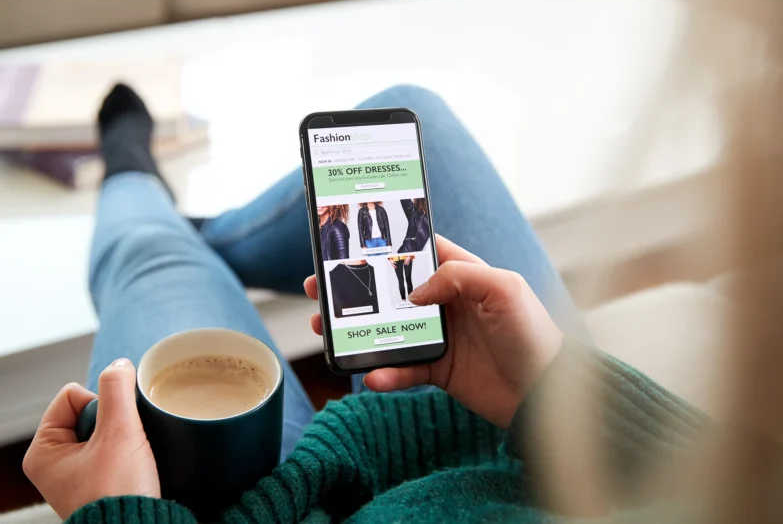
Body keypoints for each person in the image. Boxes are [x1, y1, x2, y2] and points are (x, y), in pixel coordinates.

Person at [23, 83, 712, 523]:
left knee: (148, 255)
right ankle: (192, 232)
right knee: (423, 121)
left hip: (305, 506)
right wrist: (554, 389)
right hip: (552, 449)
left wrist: (116, 518)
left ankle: (137, 182)